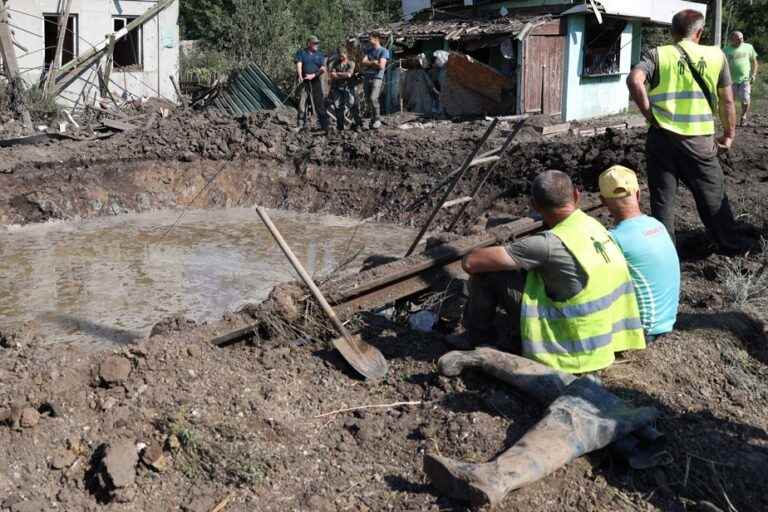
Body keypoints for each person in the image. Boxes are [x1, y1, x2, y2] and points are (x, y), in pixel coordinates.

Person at [449, 170, 646, 375]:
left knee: (488, 273)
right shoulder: (592, 225)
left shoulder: (547, 244)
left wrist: (518, 253)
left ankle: (478, 339)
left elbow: (470, 263)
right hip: (605, 340)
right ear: (577, 195)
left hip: (570, 349)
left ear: (534, 206)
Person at [627, 9, 749, 255]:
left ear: (672, 31)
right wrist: (729, 134)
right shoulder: (716, 56)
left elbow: (634, 80)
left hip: (661, 138)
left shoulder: (657, 54)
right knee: (712, 196)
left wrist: (650, 116)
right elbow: (727, 101)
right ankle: (730, 246)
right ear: (700, 31)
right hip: (699, 141)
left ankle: (665, 253)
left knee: (663, 200)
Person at [599, 165, 680, 342]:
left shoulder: (614, 239)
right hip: (668, 321)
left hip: (645, 331)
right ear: (638, 194)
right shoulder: (657, 225)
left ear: (603, 201)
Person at [724, 31, 759, 126]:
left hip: (745, 79)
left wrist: (754, 74)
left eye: (742, 38)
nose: (741, 40)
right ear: (732, 39)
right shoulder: (726, 50)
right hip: (730, 80)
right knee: (730, 101)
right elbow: (722, 65)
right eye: (738, 38)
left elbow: (754, 62)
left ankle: (743, 116)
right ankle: (731, 119)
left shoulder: (748, 47)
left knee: (745, 99)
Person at [294, 35, 328, 131]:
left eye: (317, 43)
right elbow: (299, 64)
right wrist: (300, 76)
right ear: (309, 43)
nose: (317, 45)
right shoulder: (301, 53)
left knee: (319, 103)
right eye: (315, 43)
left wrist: (313, 75)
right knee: (302, 103)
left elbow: (323, 69)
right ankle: (301, 125)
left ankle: (324, 125)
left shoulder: (320, 54)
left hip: (315, 81)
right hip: (304, 81)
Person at [328, 47, 362, 131]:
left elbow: (349, 75)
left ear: (346, 54)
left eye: (342, 55)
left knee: (353, 105)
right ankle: (340, 127)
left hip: (349, 87)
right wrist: (341, 75)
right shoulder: (335, 63)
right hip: (337, 87)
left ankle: (358, 125)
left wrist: (338, 74)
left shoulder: (351, 63)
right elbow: (332, 74)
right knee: (338, 107)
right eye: (339, 55)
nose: (340, 57)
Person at [361, 32, 388, 130]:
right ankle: (372, 120)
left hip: (377, 77)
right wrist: (373, 62)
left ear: (376, 39)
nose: (369, 40)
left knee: (373, 98)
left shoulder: (383, 51)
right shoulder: (369, 50)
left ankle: (377, 119)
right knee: (368, 100)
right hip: (367, 77)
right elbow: (363, 61)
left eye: (370, 38)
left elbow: (381, 66)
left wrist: (369, 63)